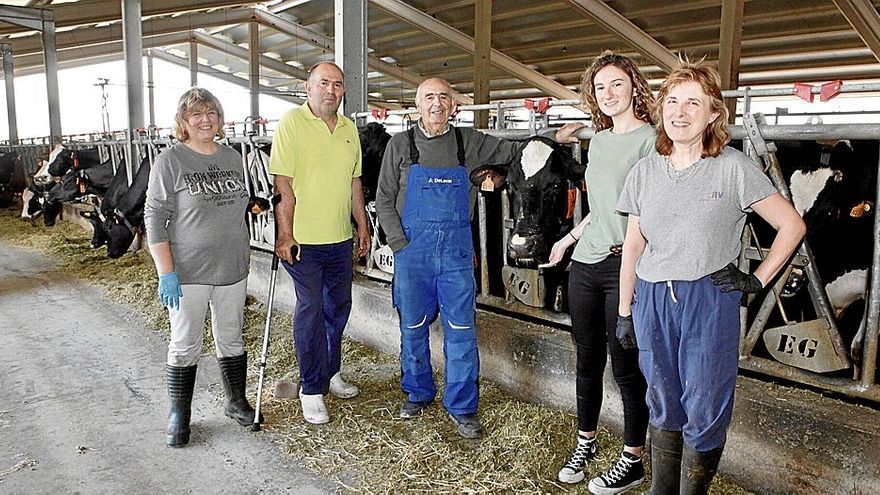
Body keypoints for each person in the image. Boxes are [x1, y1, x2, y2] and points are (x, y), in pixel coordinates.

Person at [616, 60, 806, 494]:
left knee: (704, 402)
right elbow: (633, 244)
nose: (680, 113)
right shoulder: (645, 170)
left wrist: (757, 280)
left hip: (709, 297)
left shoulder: (733, 167)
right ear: (662, 107)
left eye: (694, 104)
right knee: (662, 397)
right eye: (674, 101)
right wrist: (626, 310)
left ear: (714, 114)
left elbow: (792, 226)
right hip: (652, 296)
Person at [375, 77, 528, 439]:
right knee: (412, 327)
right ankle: (417, 392)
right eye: (429, 97)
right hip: (413, 251)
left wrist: (556, 140)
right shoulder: (400, 145)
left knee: (461, 330)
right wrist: (399, 244)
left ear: (454, 105)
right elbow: (383, 198)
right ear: (417, 105)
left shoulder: (468, 142)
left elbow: (514, 151)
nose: (437, 103)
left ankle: (462, 405)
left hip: (457, 253)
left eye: (444, 97)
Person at [543, 51, 654, 494]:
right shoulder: (600, 141)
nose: (608, 94)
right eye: (600, 87)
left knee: (626, 365)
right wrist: (568, 240)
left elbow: (649, 211)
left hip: (624, 264)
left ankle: (633, 458)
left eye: (617, 85)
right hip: (585, 263)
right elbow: (602, 207)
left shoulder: (651, 141)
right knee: (587, 361)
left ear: (634, 88)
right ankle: (585, 443)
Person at [145, 88, 260, 448]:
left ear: (220, 119)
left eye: (211, 112)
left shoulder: (232, 156)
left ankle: (236, 401)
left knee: (231, 336)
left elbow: (235, 202)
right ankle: (180, 413)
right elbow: (154, 217)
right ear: (183, 122)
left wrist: (254, 206)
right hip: (188, 272)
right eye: (196, 114)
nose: (205, 119)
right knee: (184, 343)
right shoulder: (171, 161)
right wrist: (166, 272)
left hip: (233, 267)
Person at [269, 61, 370, 425]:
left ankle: (330, 371)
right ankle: (311, 388)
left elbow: (354, 183)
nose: (331, 90)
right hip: (303, 242)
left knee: (338, 307)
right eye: (324, 83)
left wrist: (363, 226)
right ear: (307, 87)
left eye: (338, 84)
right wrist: (285, 233)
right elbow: (283, 184)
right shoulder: (291, 123)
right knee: (310, 308)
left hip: (339, 238)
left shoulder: (349, 129)